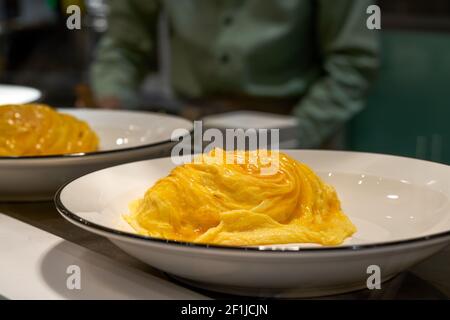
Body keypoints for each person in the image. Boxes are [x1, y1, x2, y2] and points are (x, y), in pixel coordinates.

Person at [90, 0, 379, 148]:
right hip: (196, 127)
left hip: (299, 127)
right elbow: (124, 45)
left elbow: (354, 61)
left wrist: (297, 134)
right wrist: (112, 105)